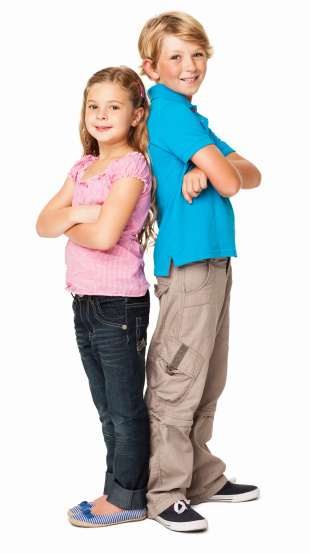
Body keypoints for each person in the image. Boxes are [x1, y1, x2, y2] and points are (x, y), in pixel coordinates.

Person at [138, 11, 262, 532]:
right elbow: (234, 183)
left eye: (197, 54)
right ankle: (165, 491)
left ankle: (201, 476)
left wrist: (202, 169)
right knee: (177, 377)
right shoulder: (168, 113)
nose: (190, 65)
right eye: (175, 57)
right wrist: (213, 170)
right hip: (187, 263)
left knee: (209, 375)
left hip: (213, 259)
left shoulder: (192, 117)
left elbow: (254, 173)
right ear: (151, 66)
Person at [36, 66, 156, 528]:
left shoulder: (131, 167)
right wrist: (83, 210)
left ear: (136, 114)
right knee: (106, 407)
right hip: (85, 302)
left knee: (125, 409)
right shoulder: (85, 168)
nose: (101, 115)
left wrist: (71, 219)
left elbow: (107, 236)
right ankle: (116, 488)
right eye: (94, 106)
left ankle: (128, 497)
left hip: (118, 303)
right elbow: (43, 225)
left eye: (114, 107)